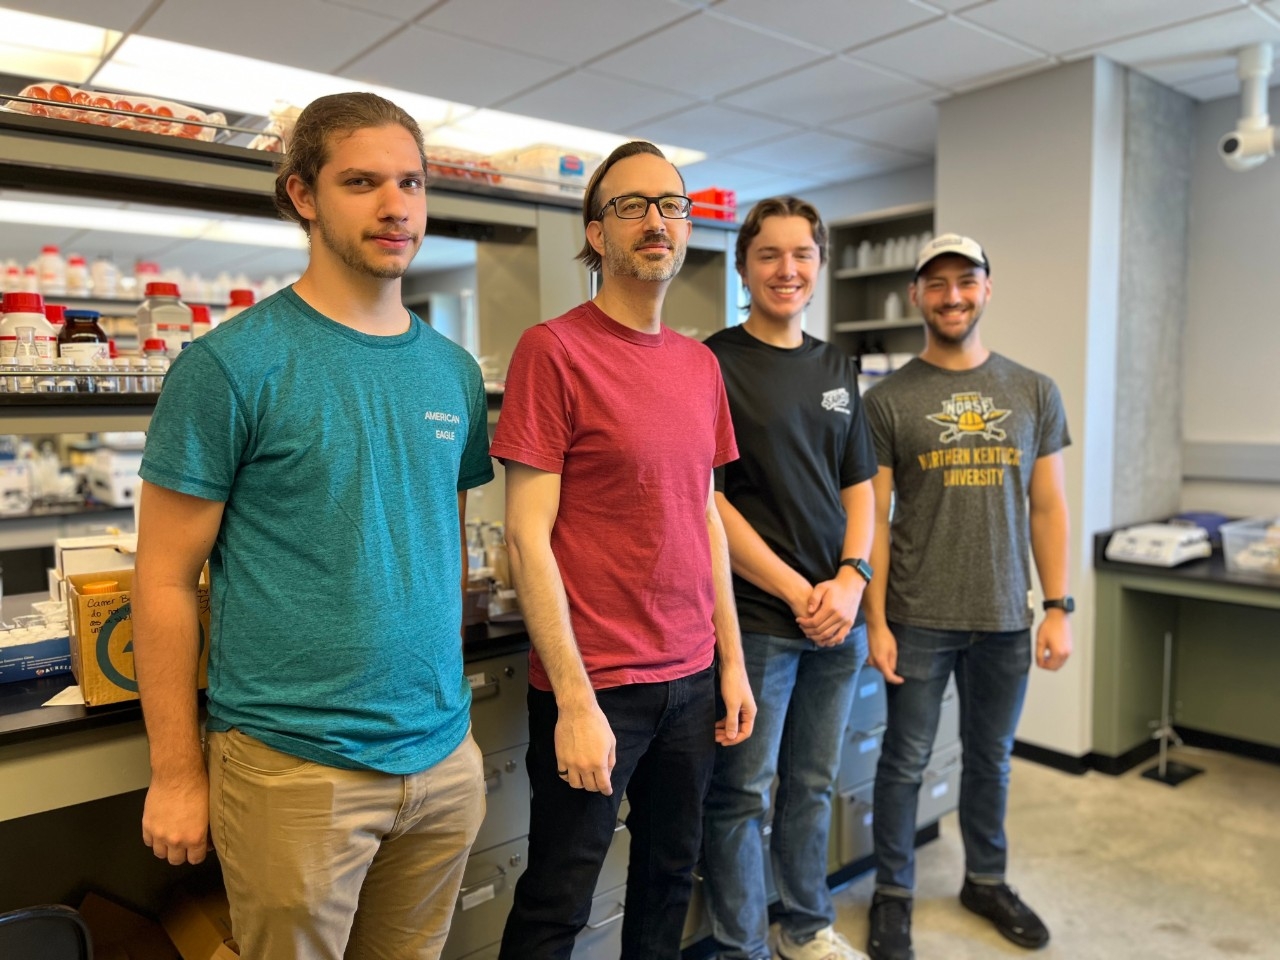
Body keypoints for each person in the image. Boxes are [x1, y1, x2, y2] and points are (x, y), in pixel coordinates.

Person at [132, 91, 493, 959]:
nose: (395, 205)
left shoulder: (452, 374)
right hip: (296, 769)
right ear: (303, 195)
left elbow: (441, 549)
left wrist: (452, 726)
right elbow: (163, 580)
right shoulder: (228, 366)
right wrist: (177, 774)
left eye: (410, 182)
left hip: (442, 759)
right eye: (362, 181)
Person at [491, 140, 757, 960]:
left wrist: (732, 663)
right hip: (598, 683)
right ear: (596, 233)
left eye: (670, 206)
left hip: (691, 678)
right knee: (557, 902)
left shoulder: (701, 364)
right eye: (630, 206)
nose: (655, 221)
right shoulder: (555, 350)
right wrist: (574, 701)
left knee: (669, 881)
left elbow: (703, 517)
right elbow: (525, 532)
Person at [861, 233, 1072, 960]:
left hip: (1008, 617)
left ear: (987, 289)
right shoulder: (887, 399)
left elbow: (1048, 508)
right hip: (918, 618)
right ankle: (893, 892)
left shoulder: (1034, 390)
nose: (953, 295)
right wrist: (876, 620)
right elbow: (876, 523)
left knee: (992, 758)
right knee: (904, 762)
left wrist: (1058, 607)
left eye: (967, 280)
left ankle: (986, 878)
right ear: (917, 295)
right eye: (938, 283)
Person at [700, 197, 876, 960]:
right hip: (760, 622)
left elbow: (860, 486)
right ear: (744, 265)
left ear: (819, 264)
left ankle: (806, 926)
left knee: (811, 783)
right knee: (740, 794)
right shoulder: (713, 362)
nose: (786, 268)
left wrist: (852, 577)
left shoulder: (838, 365)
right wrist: (795, 590)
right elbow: (709, 500)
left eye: (801, 253)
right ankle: (741, 947)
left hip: (838, 620)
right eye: (769, 254)